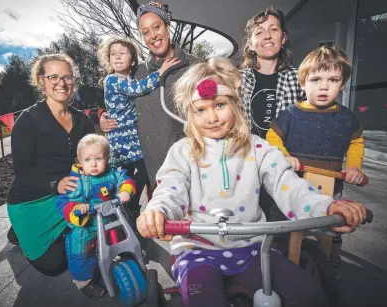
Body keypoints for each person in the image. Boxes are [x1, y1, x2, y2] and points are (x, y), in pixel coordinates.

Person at [135, 57, 367, 307]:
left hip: (255, 248)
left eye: (220, 105)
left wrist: (326, 207)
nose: (212, 117)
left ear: (234, 104)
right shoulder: (182, 152)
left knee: (309, 296)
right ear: (190, 114)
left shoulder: (258, 148)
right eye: (201, 110)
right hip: (197, 249)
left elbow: (287, 184)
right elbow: (171, 187)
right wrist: (157, 211)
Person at [266, 45, 365, 269]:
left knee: (332, 225)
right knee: (283, 222)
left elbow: (356, 142)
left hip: (330, 183)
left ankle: (331, 260)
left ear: (342, 85)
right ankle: (277, 258)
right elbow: (273, 136)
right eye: (316, 80)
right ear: (303, 83)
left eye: (332, 80)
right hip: (293, 181)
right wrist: (284, 156)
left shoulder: (346, 117)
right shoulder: (291, 114)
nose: (323, 86)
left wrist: (353, 167)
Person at [99, 1, 201, 200]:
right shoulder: (137, 74)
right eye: (145, 32)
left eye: (157, 27)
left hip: (192, 164)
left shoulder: (196, 65)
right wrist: (105, 118)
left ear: (167, 26)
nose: (153, 35)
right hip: (153, 170)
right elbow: (119, 101)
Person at [6, 53, 95, 277]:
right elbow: (23, 170)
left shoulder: (84, 120)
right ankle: (19, 229)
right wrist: (55, 184)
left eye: (67, 77)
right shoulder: (28, 120)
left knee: (93, 237)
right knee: (55, 265)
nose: (61, 83)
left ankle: (62, 226)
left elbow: (93, 153)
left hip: (69, 195)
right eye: (53, 77)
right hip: (32, 200)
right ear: (41, 80)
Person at [97, 37, 180, 217]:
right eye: (113, 54)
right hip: (119, 138)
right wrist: (161, 72)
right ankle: (120, 210)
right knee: (123, 176)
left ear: (133, 60)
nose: (117, 57)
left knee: (143, 172)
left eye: (122, 53)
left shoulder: (131, 76)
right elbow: (139, 88)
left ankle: (130, 208)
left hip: (132, 137)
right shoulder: (112, 80)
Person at [240, 7, 306, 221]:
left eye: (273, 30)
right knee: (248, 225)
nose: (267, 36)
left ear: (283, 37)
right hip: (246, 166)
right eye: (259, 32)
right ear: (250, 42)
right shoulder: (237, 80)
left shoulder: (301, 80)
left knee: (282, 225)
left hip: (285, 165)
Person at [56, 134, 136, 299]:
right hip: (88, 224)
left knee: (126, 234)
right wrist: (77, 208)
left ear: (106, 158)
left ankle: (128, 255)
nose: (93, 164)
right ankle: (84, 281)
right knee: (80, 249)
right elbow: (63, 202)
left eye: (99, 158)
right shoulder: (76, 180)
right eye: (87, 160)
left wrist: (125, 191)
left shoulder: (113, 172)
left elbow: (125, 179)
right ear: (80, 160)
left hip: (112, 217)